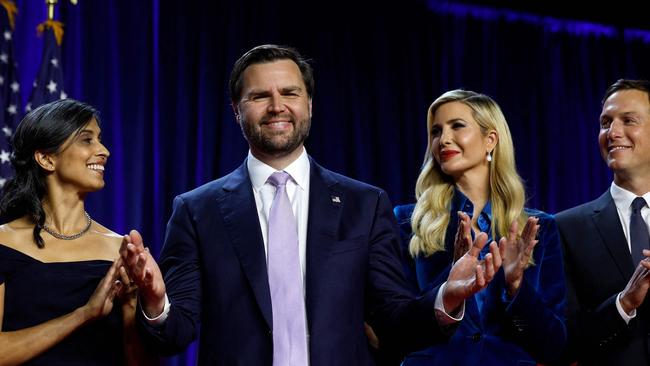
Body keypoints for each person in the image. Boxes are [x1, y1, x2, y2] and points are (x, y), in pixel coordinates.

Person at [119, 44, 503, 365]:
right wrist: (155, 301)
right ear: (236, 110)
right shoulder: (195, 211)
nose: (276, 106)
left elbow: (393, 321)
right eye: (259, 96)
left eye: (289, 93)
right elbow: (174, 334)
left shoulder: (364, 204)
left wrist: (447, 296)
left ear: (310, 105)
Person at [394, 89, 567, 365]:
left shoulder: (539, 228)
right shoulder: (408, 222)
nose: (444, 139)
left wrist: (516, 286)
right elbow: (395, 327)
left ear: (490, 140)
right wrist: (448, 289)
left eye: (457, 126)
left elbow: (553, 346)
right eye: (436, 131)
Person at [0, 99, 155, 365]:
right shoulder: (4, 241)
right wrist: (84, 314)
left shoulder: (120, 249)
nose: (104, 150)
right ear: (46, 159)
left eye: (100, 139)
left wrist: (133, 302)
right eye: (87, 140)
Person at [556, 79, 650, 366]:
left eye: (628, 120)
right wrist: (624, 303)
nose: (613, 132)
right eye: (605, 122)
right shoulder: (567, 228)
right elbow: (565, 341)